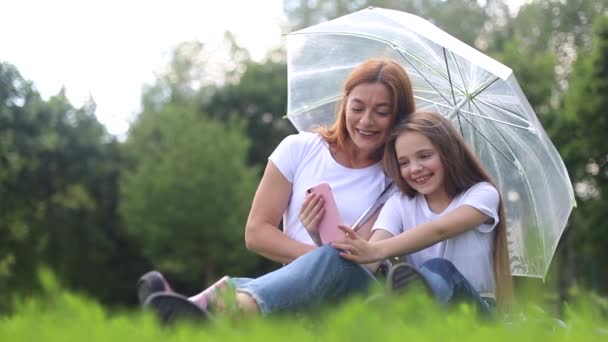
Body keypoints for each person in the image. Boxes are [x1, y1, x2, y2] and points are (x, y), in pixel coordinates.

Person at [137, 58, 416, 322]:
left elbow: (361, 261)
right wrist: (314, 257)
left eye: (381, 112)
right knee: (323, 260)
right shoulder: (300, 149)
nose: (366, 121)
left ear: (398, 117)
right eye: (357, 108)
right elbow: (257, 232)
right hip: (295, 286)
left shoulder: (398, 180)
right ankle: (199, 311)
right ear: (344, 105)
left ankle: (210, 309)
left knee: (334, 258)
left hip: (358, 292)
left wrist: (319, 245)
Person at [333, 110, 513, 314]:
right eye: (404, 163)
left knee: (439, 268)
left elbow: (440, 230)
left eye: (425, 156)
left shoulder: (482, 194)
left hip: (475, 307)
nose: (415, 168)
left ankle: (402, 307)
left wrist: (377, 250)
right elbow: (371, 256)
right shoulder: (399, 204)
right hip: (426, 312)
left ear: (448, 152)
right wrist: (352, 251)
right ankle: (399, 309)